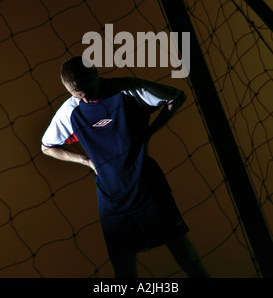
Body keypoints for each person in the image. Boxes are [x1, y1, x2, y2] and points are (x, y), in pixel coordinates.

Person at [41, 56, 210, 278]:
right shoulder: (70, 111)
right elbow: (47, 146)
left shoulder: (127, 90)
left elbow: (175, 97)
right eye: (77, 95)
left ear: (95, 74)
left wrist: (148, 133)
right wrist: (86, 161)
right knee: (123, 271)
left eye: (86, 91)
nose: (84, 98)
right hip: (111, 198)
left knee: (187, 259)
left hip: (146, 186)